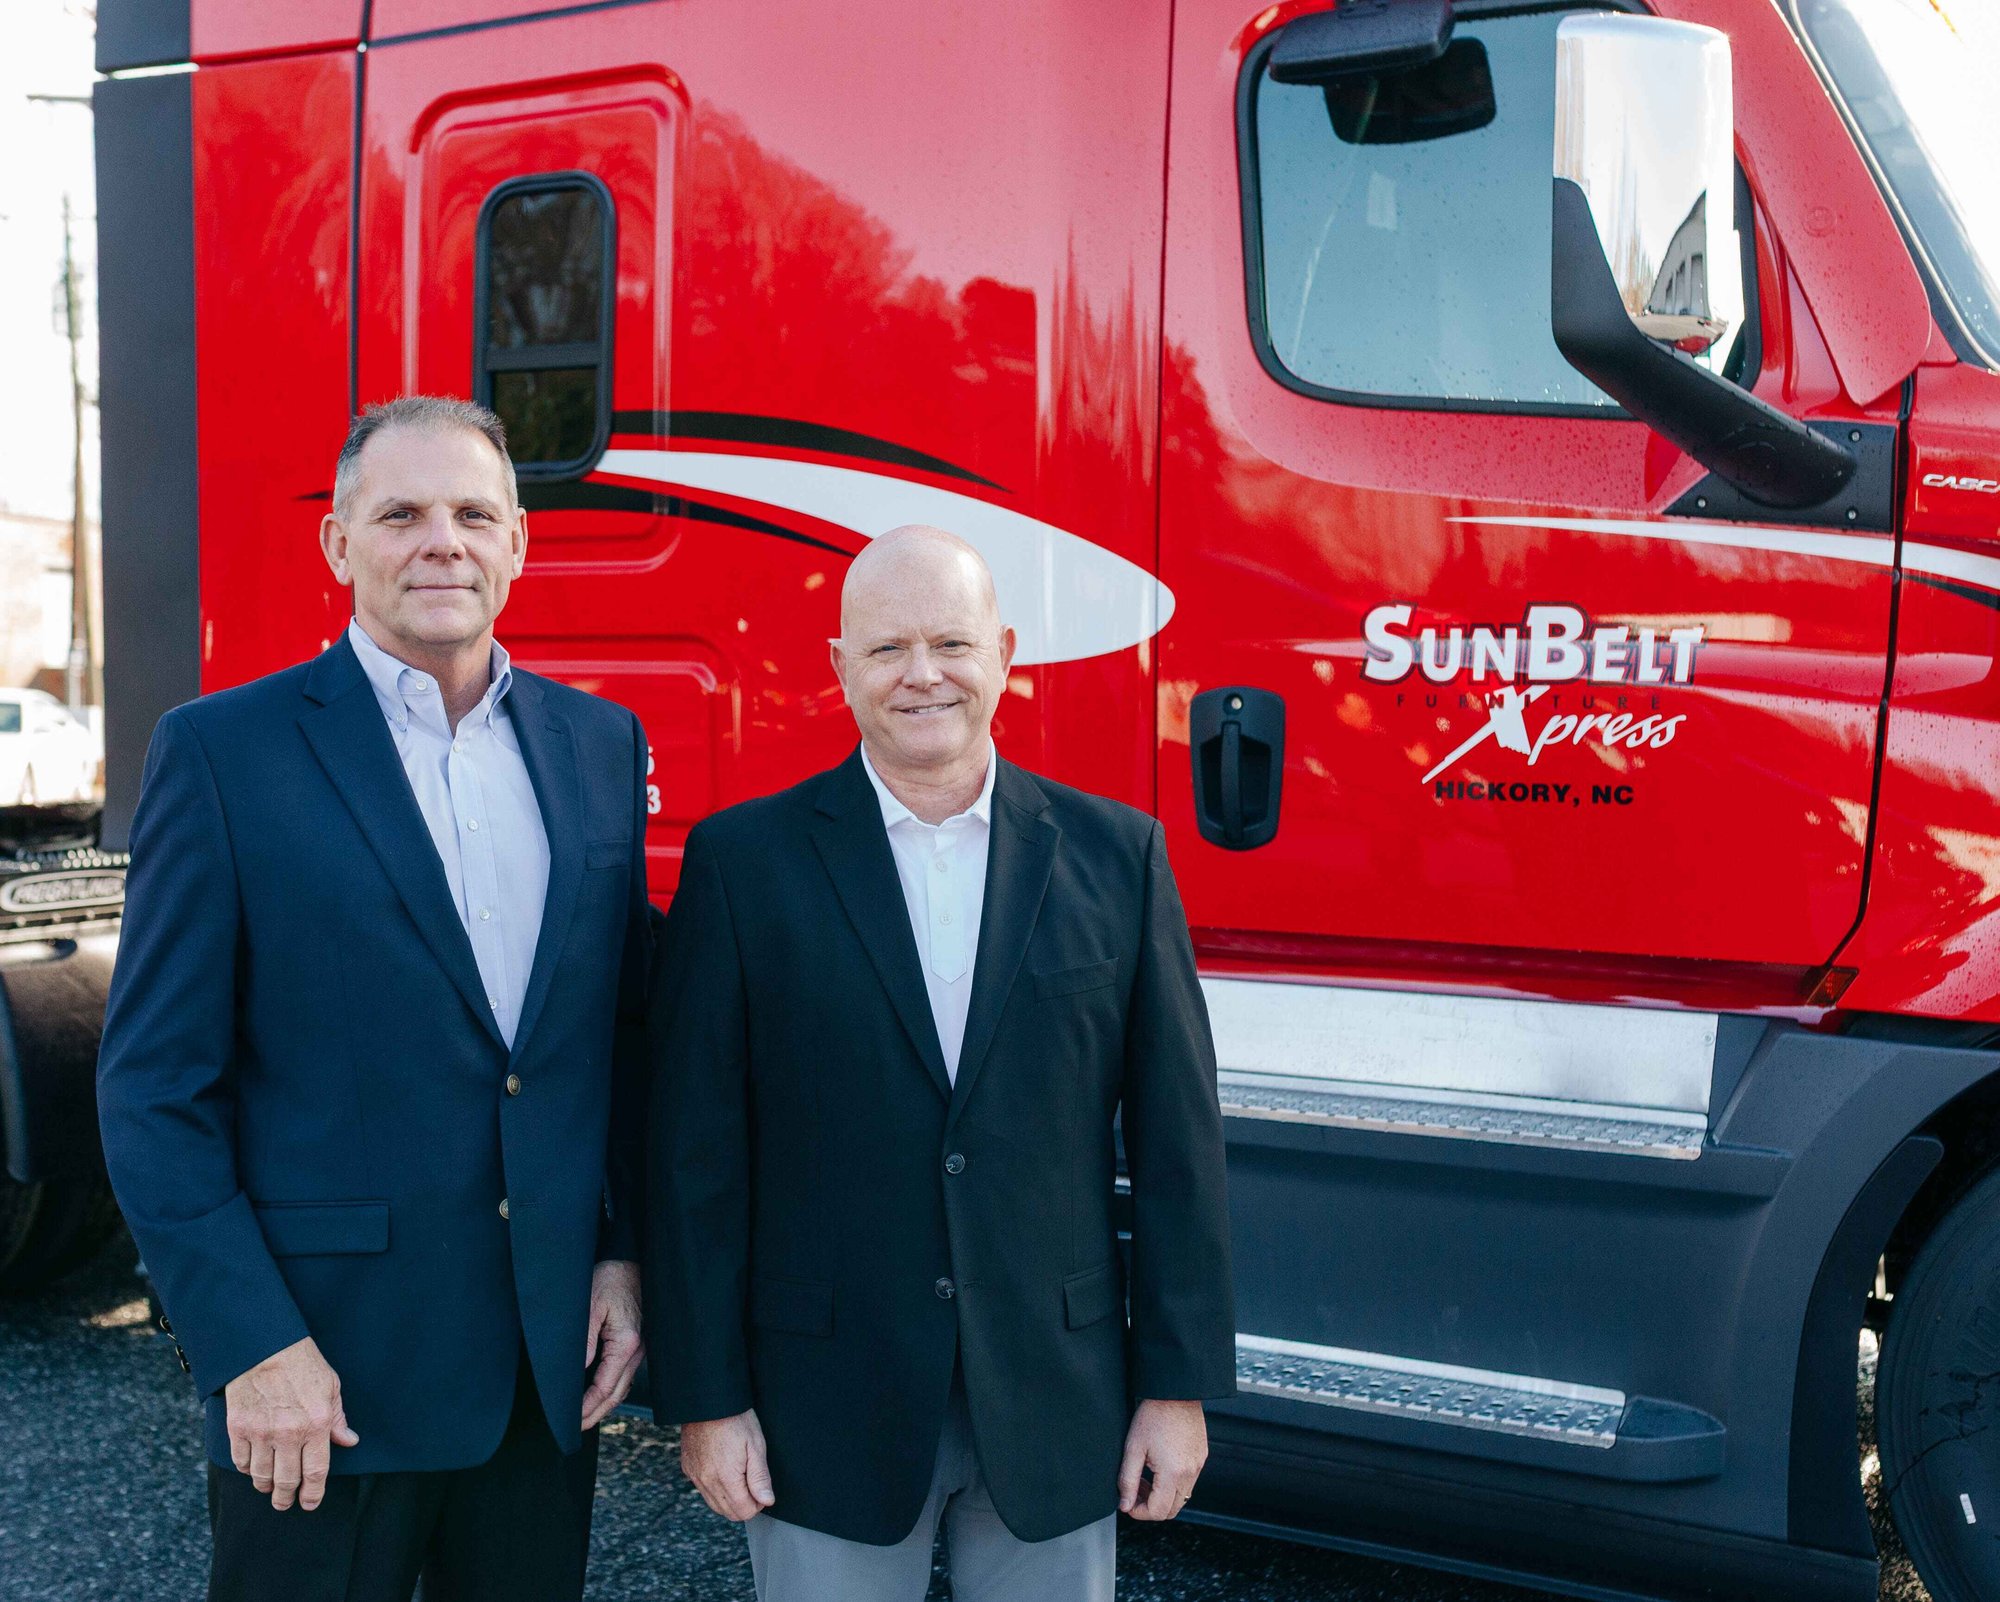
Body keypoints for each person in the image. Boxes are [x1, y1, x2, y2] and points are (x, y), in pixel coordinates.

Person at [96, 396, 652, 1602]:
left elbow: (612, 1038)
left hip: (533, 1378)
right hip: (318, 1387)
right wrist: (250, 1345)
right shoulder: (222, 753)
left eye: (472, 514)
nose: (439, 541)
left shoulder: (599, 747)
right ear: (339, 546)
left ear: (517, 544)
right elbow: (153, 1090)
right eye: (399, 514)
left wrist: (617, 1251)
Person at [645, 523, 1236, 1601]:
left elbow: (1176, 1151)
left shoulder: (1120, 857)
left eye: (950, 643)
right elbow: (694, 1159)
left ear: (1004, 652)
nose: (922, 675)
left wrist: (1176, 1387)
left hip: (1057, 1399)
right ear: (838, 668)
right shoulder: (741, 865)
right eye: (885, 649)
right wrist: (707, 1398)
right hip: (818, 1407)